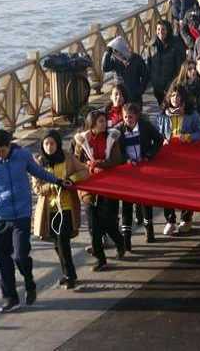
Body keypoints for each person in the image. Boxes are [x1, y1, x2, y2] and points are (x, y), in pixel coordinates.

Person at [0, 129, 71, 312]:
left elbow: (38, 172)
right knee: (3, 260)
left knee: (20, 255)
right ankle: (10, 298)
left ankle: (29, 281)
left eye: (2, 150)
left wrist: (57, 181)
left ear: (9, 145)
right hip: (0, 216)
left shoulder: (22, 156)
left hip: (21, 214)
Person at [31, 129, 88, 290]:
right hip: (50, 210)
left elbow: (84, 171)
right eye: (46, 143)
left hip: (66, 207)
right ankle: (68, 273)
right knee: (57, 244)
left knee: (63, 241)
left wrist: (71, 180)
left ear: (58, 144)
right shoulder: (38, 163)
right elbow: (37, 188)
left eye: (52, 143)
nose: (49, 147)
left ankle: (70, 276)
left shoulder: (67, 158)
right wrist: (54, 184)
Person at [72, 110, 125, 270]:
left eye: (105, 121)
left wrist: (99, 164)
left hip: (108, 184)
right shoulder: (82, 141)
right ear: (92, 124)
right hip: (89, 186)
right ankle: (100, 258)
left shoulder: (112, 138)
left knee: (107, 220)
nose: (104, 124)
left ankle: (119, 241)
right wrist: (87, 166)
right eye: (101, 121)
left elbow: (117, 160)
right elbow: (77, 162)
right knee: (93, 225)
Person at [155, 85, 200, 235]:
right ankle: (170, 220)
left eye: (178, 96)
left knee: (186, 188)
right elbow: (156, 133)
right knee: (166, 189)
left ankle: (186, 219)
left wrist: (189, 137)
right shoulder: (162, 115)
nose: (175, 99)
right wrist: (162, 140)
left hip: (186, 158)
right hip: (168, 158)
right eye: (172, 96)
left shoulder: (192, 114)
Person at [115, 103, 164, 247]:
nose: (128, 120)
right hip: (128, 172)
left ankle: (149, 231)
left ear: (136, 116)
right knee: (127, 204)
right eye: (125, 117)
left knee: (145, 201)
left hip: (144, 170)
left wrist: (148, 155)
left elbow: (159, 140)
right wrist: (126, 160)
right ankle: (127, 239)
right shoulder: (118, 131)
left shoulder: (145, 126)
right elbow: (116, 150)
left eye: (130, 116)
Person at [146, 20, 186, 106]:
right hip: (157, 85)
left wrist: (175, 82)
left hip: (171, 84)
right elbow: (149, 64)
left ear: (168, 30)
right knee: (162, 106)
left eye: (163, 29)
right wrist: (151, 80)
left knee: (171, 106)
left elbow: (180, 67)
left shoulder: (175, 45)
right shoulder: (152, 45)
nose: (160, 32)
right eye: (158, 29)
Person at [102, 36, 150, 105]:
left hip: (134, 95)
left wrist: (141, 90)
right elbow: (105, 68)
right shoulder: (114, 59)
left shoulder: (136, 59)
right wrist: (107, 52)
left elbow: (146, 75)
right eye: (113, 51)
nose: (115, 53)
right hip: (120, 95)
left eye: (116, 50)